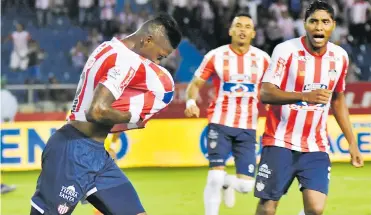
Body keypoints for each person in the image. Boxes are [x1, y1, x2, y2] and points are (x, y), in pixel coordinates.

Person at [30, 13, 182, 215]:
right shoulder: (127, 61)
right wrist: (136, 115)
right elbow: (97, 112)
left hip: (96, 155)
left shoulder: (108, 47)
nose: (158, 63)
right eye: (160, 56)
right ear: (147, 40)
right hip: (72, 153)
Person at [254, 1, 364, 215]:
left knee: (316, 208)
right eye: (313, 21)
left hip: (315, 145)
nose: (319, 27)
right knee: (267, 209)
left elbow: (338, 100)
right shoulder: (286, 50)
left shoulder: (340, 56)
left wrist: (352, 142)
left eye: (325, 22)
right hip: (279, 141)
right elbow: (265, 93)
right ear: (305, 24)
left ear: (333, 25)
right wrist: (303, 96)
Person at [184, 13, 270, 215]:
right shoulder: (215, 56)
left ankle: (228, 184)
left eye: (247, 27)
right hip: (219, 122)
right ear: (230, 31)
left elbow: (271, 89)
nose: (242, 30)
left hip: (248, 126)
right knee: (214, 177)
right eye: (238, 26)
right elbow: (195, 84)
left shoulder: (263, 59)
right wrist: (190, 101)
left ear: (253, 33)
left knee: (246, 187)